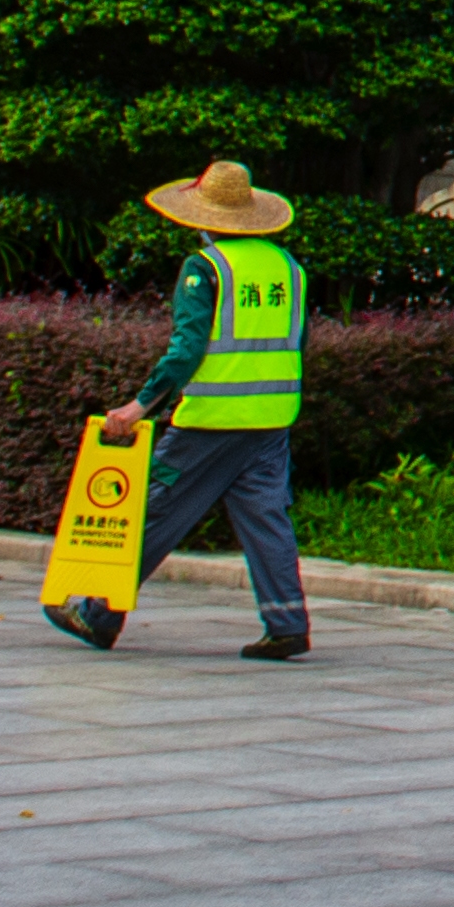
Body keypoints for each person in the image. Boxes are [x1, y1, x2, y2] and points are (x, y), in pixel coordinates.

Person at [44, 156, 314, 661]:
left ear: (204, 216)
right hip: (272, 419)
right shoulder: (288, 268)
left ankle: (100, 613)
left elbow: (187, 349)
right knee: (267, 518)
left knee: (154, 509)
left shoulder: (206, 267)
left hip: (210, 422)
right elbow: (298, 341)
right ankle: (287, 622)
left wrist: (140, 404)